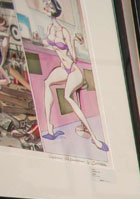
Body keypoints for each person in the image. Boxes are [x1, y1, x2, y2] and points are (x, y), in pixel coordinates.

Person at [38, 0, 106, 152]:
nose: (46, 8)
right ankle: (49, 127)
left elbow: (74, 57)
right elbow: (48, 44)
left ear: (55, 9)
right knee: (47, 82)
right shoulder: (49, 28)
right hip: (63, 68)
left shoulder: (64, 32)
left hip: (73, 70)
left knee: (68, 97)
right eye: (46, 5)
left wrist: (73, 42)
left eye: (50, 6)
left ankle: (94, 138)